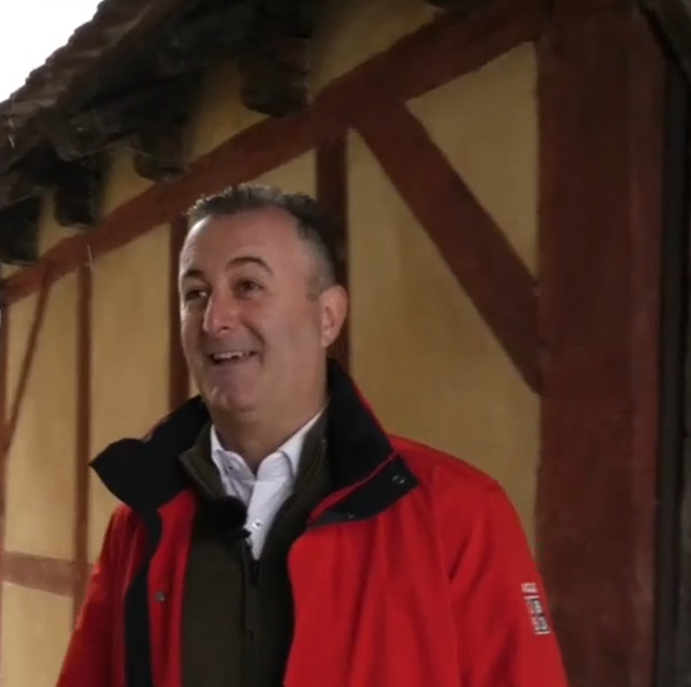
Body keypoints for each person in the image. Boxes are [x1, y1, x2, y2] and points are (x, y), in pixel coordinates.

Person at [56, 184, 568, 687]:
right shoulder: (141, 522)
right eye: (195, 294)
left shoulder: (458, 514)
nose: (214, 320)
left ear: (328, 317)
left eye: (248, 286)